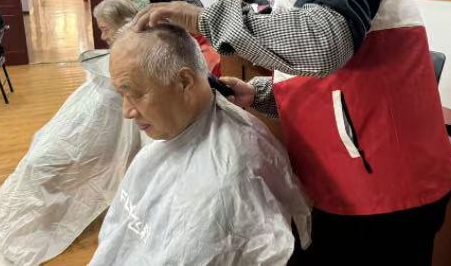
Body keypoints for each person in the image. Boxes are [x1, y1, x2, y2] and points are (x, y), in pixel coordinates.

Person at [133, 0, 451, 265]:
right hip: (337, 183)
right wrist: (259, 93)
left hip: (391, 188)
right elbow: (319, 81)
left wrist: (203, 18)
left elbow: (324, 43)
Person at [89, 23, 310, 266]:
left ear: (184, 82)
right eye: (122, 95)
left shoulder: (228, 182)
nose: (127, 111)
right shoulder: (172, 134)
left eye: (136, 94)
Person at [0, 0, 142, 266]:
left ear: (121, 25)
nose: (102, 36)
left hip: (100, 131)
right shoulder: (116, 56)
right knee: (36, 156)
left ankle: (41, 219)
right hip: (86, 122)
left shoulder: (135, 60)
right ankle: (40, 213)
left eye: (105, 29)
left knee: (40, 165)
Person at [113, 0, 221, 76]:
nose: (132, 3)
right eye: (128, 1)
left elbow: (196, 14)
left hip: (201, 42)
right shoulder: (141, 11)